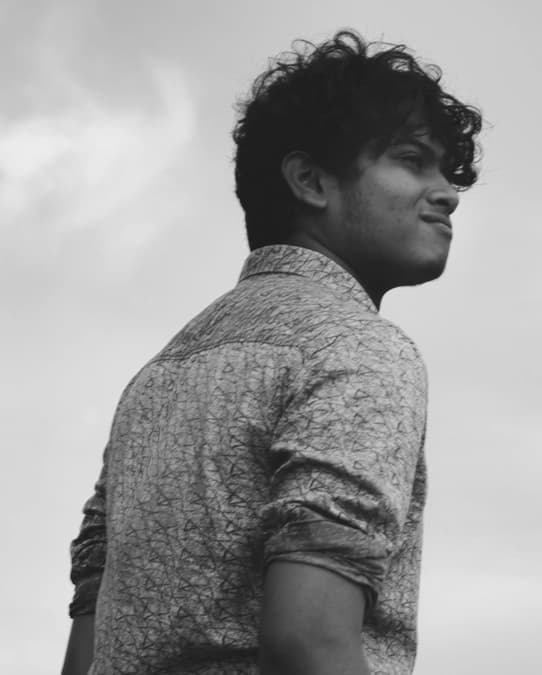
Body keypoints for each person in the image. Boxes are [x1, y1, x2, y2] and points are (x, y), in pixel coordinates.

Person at [59, 29, 483, 675]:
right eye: (411, 159)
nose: (448, 192)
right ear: (311, 180)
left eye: (446, 170)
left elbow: (86, 652)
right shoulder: (356, 349)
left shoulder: (157, 379)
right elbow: (309, 642)